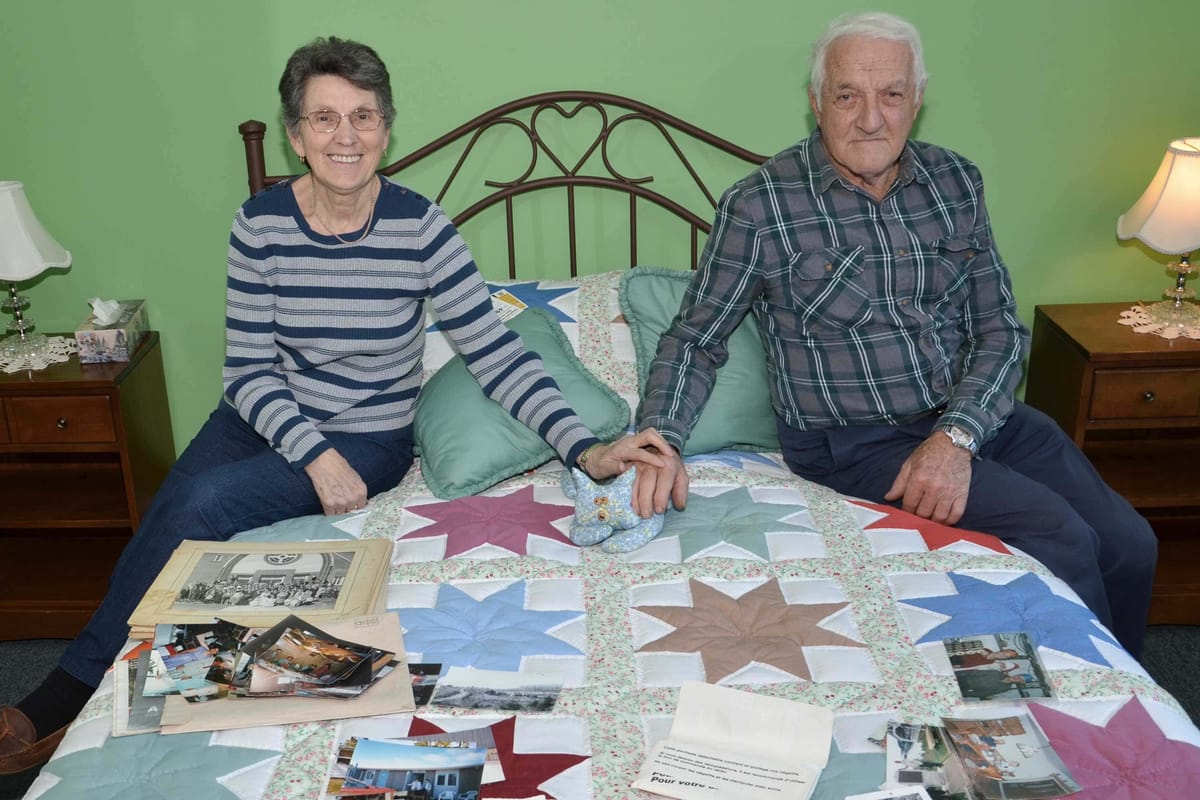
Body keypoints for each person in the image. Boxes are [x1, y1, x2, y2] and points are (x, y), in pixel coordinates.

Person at [0, 36, 673, 776]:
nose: (345, 137)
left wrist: (583, 448)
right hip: (264, 416)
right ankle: (120, 674)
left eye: (363, 117)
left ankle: (62, 692)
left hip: (367, 437)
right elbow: (249, 372)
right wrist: (311, 455)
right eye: (324, 119)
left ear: (386, 128)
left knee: (202, 504)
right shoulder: (260, 224)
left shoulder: (422, 227)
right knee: (183, 499)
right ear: (295, 135)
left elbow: (496, 353)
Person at [632, 11, 1156, 659]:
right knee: (1064, 537)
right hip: (854, 444)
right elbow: (695, 339)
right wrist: (658, 440)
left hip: (968, 416)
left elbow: (998, 328)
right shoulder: (760, 206)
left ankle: (1136, 700)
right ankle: (1089, 724)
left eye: (891, 95)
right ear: (816, 102)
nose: (870, 118)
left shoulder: (955, 183)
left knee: (1132, 543)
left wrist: (958, 435)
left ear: (918, 100)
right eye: (848, 95)